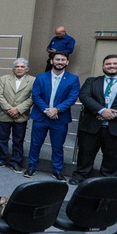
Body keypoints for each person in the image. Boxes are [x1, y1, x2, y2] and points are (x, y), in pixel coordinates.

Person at [70, 54, 117, 184]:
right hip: (91, 126)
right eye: (108, 64)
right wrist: (102, 110)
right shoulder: (91, 81)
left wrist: (115, 113)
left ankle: (106, 182)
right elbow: (84, 96)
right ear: (103, 66)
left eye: (115, 63)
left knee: (112, 158)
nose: (112, 66)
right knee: (85, 154)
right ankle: (81, 176)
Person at [25, 52, 80, 180]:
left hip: (60, 119)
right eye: (57, 59)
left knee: (58, 146)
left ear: (67, 62)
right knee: (35, 144)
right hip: (41, 117)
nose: (60, 62)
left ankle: (57, 170)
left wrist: (57, 110)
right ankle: (32, 167)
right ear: (51, 62)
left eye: (63, 60)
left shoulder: (73, 79)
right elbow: (36, 95)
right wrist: (47, 110)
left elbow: (72, 97)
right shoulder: (40, 77)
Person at [0, 58, 35, 173]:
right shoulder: (3, 79)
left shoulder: (33, 81)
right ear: (13, 69)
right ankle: (1, 158)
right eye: (17, 67)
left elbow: (32, 98)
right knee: (2, 138)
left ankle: (16, 162)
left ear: (27, 69)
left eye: (22, 67)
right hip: (4, 114)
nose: (19, 69)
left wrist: (18, 109)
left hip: (20, 115)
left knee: (18, 140)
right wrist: (9, 109)